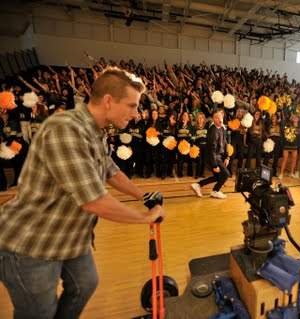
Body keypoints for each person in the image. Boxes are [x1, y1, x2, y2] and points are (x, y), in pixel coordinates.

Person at [0, 67, 166, 319]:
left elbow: (111, 171)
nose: (136, 113)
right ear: (108, 101)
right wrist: (145, 218)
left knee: (85, 283)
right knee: (40, 313)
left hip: (68, 237)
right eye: (131, 106)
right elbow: (94, 201)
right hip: (30, 244)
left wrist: (142, 196)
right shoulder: (65, 129)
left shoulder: (96, 132)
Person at [191, 108, 231, 199]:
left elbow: (225, 143)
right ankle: (215, 191)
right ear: (213, 119)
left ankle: (198, 185)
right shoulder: (212, 131)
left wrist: (227, 157)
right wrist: (214, 165)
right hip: (213, 157)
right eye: (216, 117)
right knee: (226, 174)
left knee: (218, 177)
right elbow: (212, 150)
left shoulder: (221, 128)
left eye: (220, 117)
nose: (219, 119)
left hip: (219, 156)